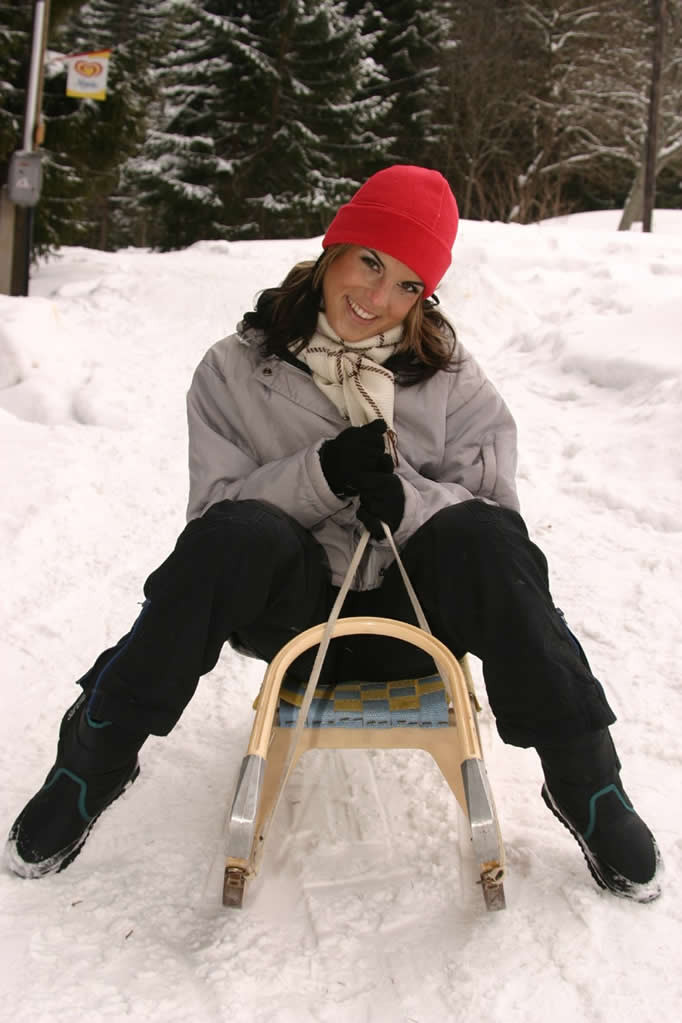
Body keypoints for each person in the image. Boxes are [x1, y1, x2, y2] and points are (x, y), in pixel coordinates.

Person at [6, 165, 661, 902]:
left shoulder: (452, 380)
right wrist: (321, 474)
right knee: (234, 536)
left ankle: (588, 781)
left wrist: (403, 499)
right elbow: (211, 518)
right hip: (294, 613)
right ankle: (93, 755)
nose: (378, 300)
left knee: (487, 543)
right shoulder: (234, 371)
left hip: (413, 613)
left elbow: (498, 517)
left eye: (409, 285)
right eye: (371, 263)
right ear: (335, 248)